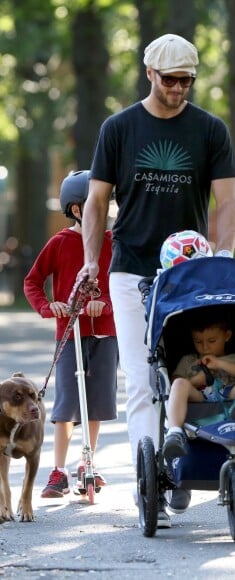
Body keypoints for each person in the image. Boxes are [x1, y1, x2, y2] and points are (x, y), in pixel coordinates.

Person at [77, 33, 235, 527]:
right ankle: (153, 484)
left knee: (190, 371)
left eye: (186, 81)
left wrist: (224, 256)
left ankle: (184, 463)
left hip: (189, 274)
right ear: (149, 73)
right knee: (140, 380)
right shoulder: (119, 128)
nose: (178, 89)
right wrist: (90, 260)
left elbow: (227, 201)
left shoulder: (210, 130)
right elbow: (97, 201)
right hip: (130, 269)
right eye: (169, 80)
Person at [23, 170, 118, 499]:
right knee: (66, 405)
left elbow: (124, 289)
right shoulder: (60, 244)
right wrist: (50, 307)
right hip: (69, 336)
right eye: (99, 205)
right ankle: (58, 470)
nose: (107, 211)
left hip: (105, 336)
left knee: (97, 403)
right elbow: (32, 282)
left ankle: (86, 463)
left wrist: (104, 305)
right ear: (78, 209)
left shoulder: (113, 243)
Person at [162, 320, 235, 461]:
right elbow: (174, 384)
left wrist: (219, 364)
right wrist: (196, 381)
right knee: (180, 383)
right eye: (198, 341)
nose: (205, 347)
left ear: (227, 336)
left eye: (212, 341)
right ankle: (174, 432)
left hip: (232, 395)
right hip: (200, 396)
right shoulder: (188, 361)